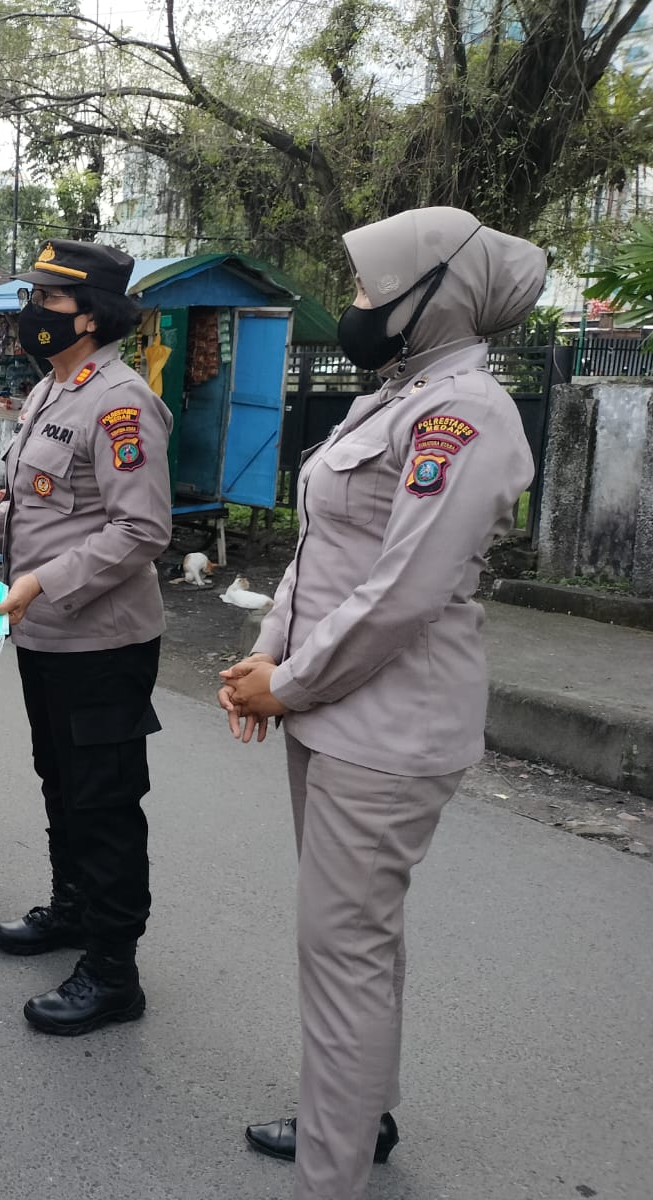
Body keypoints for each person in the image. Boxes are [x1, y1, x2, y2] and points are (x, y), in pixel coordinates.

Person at [220, 208, 544, 1200]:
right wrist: (264, 655)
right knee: (358, 938)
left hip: (386, 728)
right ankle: (360, 1117)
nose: (353, 306)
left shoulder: (467, 413)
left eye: (366, 288)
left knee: (343, 950)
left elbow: (404, 589)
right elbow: (324, 554)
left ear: (429, 296)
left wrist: (292, 679)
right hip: (332, 710)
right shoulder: (393, 399)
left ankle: (332, 1172)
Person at [0, 240, 171, 1036]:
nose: (29, 312)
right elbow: (51, 507)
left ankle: (113, 969)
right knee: (60, 782)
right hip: (47, 636)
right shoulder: (49, 391)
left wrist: (42, 583)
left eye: (44, 299)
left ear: (89, 314)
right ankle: (73, 910)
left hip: (101, 640)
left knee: (103, 801)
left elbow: (141, 528)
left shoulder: (121, 402)